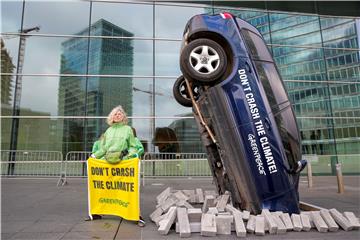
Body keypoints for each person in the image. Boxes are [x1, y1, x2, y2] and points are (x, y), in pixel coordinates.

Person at [87, 105, 145, 226]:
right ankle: (97, 211)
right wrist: (94, 156)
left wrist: (130, 157)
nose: (117, 115)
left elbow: (133, 147)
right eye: (115, 114)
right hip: (108, 163)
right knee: (104, 188)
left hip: (123, 162)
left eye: (119, 113)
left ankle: (135, 214)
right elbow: (103, 148)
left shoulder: (128, 129)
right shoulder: (108, 131)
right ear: (111, 117)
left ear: (123, 116)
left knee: (128, 189)